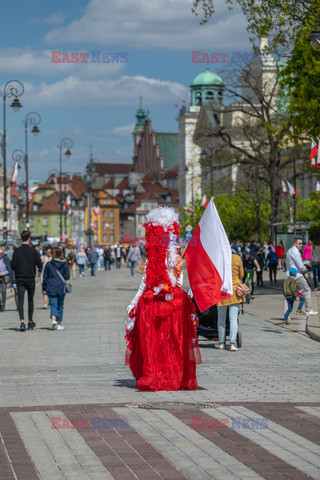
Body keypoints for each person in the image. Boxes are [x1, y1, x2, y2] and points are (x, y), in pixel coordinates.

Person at [125, 206, 201, 391]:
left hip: (152, 306)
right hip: (174, 307)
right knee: (174, 343)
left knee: (153, 344)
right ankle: (173, 376)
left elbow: (144, 284)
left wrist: (133, 303)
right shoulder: (176, 261)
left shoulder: (153, 260)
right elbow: (180, 284)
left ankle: (155, 375)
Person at [11, 230, 42, 331]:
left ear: (21, 238)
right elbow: (39, 264)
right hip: (30, 278)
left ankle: (22, 321)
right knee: (30, 300)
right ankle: (30, 322)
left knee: (20, 300)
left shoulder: (17, 251)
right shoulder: (33, 251)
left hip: (20, 278)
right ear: (29, 238)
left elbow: (12, 266)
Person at [217, 251, 244, 351]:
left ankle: (221, 342)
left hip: (222, 291)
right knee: (233, 318)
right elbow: (241, 274)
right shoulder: (237, 258)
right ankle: (232, 343)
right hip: (234, 290)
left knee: (221, 317)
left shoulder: (220, 259)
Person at [286, 236, 318, 316]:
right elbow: (300, 265)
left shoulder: (289, 250)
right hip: (297, 275)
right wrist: (305, 269)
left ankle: (286, 314)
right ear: (294, 243)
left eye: (301, 243)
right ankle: (308, 310)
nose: (301, 245)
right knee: (307, 290)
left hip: (289, 275)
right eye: (299, 243)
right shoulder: (295, 252)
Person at [42, 246, 70, 330]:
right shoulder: (65, 263)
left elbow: (45, 277)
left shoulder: (48, 264)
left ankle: (53, 320)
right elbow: (67, 276)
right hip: (61, 287)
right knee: (60, 305)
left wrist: (44, 287)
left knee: (53, 304)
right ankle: (59, 323)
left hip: (51, 286)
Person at [0, 247, 16, 312]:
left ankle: (3, 306)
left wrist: (3, 273)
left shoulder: (6, 259)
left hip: (4, 278)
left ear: (3, 254)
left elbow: (9, 269)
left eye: (1, 253)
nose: (0, 254)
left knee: (3, 292)